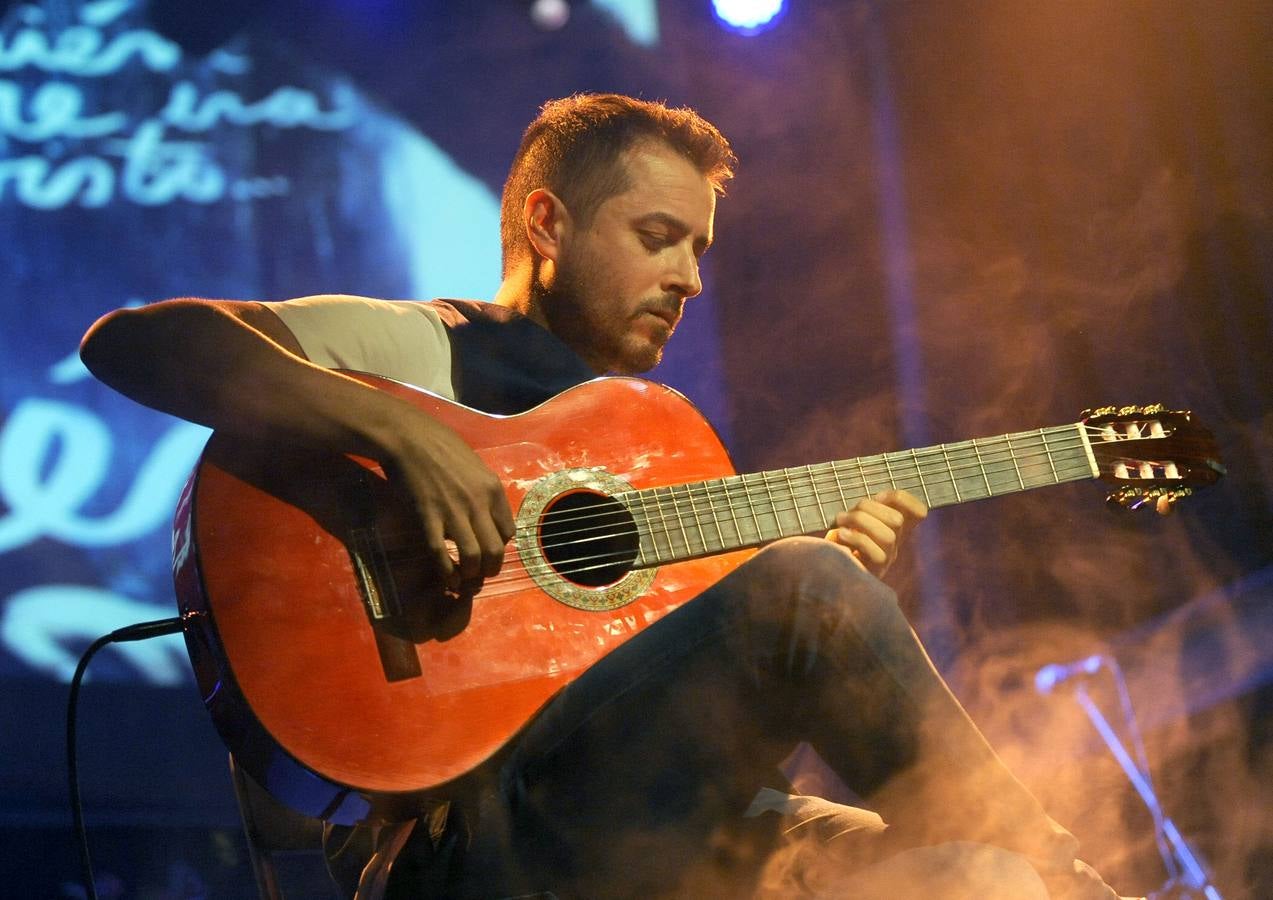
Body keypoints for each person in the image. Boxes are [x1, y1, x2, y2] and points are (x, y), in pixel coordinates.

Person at [81, 94, 1132, 899]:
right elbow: (137, 343)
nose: (690, 279)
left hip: (670, 823)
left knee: (967, 875)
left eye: (700, 249)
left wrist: (824, 600)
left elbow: (674, 673)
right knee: (804, 588)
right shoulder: (424, 350)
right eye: (657, 237)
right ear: (546, 221)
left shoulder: (654, 437)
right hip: (478, 832)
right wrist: (397, 431)